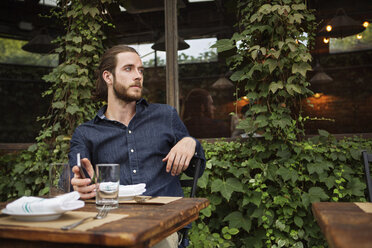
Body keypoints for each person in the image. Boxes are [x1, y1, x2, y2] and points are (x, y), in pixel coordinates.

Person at [68, 45, 205, 248]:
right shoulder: (86, 133)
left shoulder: (165, 116)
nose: (138, 76)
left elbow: (196, 169)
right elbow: (77, 181)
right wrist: (78, 185)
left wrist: (191, 143)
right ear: (108, 76)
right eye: (128, 69)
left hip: (162, 226)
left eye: (140, 70)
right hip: (112, 224)